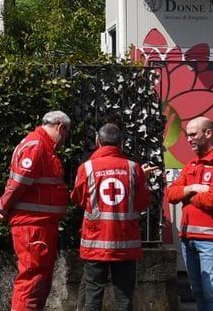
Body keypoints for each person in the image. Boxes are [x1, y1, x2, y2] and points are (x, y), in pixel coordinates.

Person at [71, 122, 157, 311]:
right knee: (124, 296)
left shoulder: (87, 168)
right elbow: (143, 202)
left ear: (97, 141)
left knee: (92, 296)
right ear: (121, 143)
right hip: (125, 242)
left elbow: (78, 198)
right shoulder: (134, 169)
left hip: (95, 242)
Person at [0, 110, 72, 311]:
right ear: (60, 128)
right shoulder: (37, 146)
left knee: (39, 280)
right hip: (33, 226)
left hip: (40, 224)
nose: (65, 139)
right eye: (66, 133)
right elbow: (20, 181)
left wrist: (4, 206)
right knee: (32, 279)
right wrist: (3, 206)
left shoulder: (40, 146)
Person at [165, 116, 213, 311]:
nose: (189, 139)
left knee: (211, 290)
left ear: (208, 133)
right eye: (187, 135)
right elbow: (171, 194)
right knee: (197, 290)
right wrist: (191, 188)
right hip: (187, 237)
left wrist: (187, 195)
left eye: (193, 134)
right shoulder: (191, 165)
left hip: (211, 239)